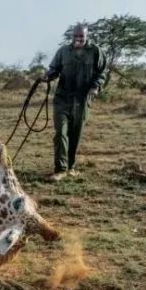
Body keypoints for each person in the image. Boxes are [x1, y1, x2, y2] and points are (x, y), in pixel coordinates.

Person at [40, 24, 107, 181]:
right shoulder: (63, 51)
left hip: (82, 101)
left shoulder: (95, 51)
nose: (78, 40)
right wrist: (47, 76)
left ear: (86, 36)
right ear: (72, 36)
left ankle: (70, 167)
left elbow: (101, 71)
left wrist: (95, 86)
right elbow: (54, 69)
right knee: (61, 133)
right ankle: (60, 169)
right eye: (76, 37)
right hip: (62, 99)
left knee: (75, 135)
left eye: (81, 37)